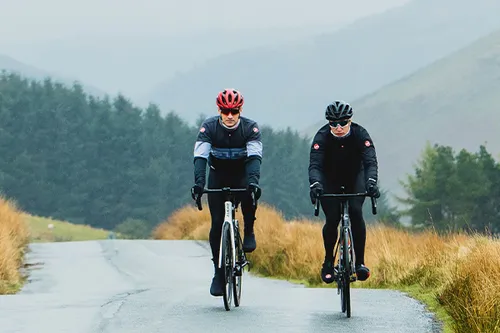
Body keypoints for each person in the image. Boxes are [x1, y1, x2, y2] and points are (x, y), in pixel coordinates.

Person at [190, 88, 263, 297]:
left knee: (249, 195)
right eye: (225, 111)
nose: (229, 116)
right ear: (219, 110)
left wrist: (253, 183)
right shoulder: (209, 128)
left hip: (241, 173)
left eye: (234, 111)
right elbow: (200, 158)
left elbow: (254, 159)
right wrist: (199, 184)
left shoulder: (251, 128)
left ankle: (249, 230)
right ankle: (218, 273)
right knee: (216, 223)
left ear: (240, 110)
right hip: (218, 175)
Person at [308, 100, 380, 284]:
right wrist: (315, 184)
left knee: (356, 212)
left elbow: (370, 162)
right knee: (332, 219)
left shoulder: (360, 134)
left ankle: (360, 263)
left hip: (355, 177)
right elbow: (315, 165)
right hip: (329, 179)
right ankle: (328, 261)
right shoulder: (321, 137)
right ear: (328, 123)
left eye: (343, 123)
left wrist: (371, 182)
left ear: (350, 121)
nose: (338, 127)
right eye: (333, 124)